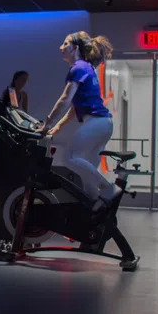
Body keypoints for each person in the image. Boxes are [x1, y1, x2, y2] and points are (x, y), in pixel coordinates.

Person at [36, 31, 115, 203]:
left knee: (70, 157)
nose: (61, 47)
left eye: (65, 44)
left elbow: (65, 99)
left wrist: (47, 124)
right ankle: (94, 207)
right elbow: (75, 107)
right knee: (88, 172)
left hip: (96, 122)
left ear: (75, 48)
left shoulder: (78, 68)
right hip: (104, 124)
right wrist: (57, 127)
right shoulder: (87, 67)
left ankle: (109, 188)